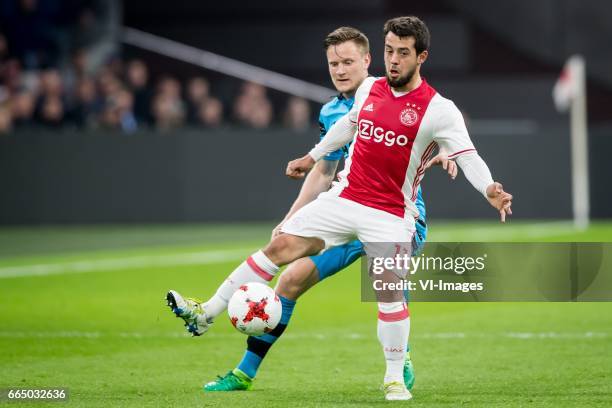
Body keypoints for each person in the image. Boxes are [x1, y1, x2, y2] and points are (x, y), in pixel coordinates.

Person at [167, 16, 512, 401]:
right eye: (389, 51)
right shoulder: (367, 92)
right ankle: (207, 314)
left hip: (393, 214)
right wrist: (310, 157)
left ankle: (395, 375)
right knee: (282, 255)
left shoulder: (438, 108)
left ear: (420, 57)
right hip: (345, 200)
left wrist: (489, 188)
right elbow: (347, 128)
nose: (393, 60)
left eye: (402, 53)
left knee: (386, 286)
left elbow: (466, 154)